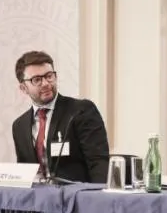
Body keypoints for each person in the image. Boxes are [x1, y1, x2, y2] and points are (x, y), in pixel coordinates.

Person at [11, 51, 110, 183]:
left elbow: (98, 162)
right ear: (23, 88)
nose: (46, 83)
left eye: (49, 76)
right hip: (37, 200)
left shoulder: (81, 111)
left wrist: (97, 198)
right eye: (37, 80)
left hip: (75, 198)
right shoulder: (19, 125)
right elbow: (24, 172)